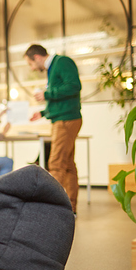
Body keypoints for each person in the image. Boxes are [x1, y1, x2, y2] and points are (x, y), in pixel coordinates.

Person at [24, 44, 82, 215]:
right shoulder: (53, 67)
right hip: (63, 118)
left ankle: (50, 211)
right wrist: (43, 112)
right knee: (68, 165)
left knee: (55, 164)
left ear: (36, 57)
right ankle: (70, 208)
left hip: (66, 120)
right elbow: (62, 97)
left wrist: (47, 94)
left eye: (30, 64)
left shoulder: (62, 62)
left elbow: (74, 86)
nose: (32, 68)